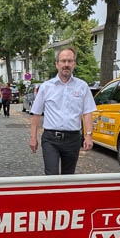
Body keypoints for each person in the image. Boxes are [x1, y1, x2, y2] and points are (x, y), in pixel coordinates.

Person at [28, 47, 96, 175]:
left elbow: (87, 112)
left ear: (74, 64)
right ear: (57, 64)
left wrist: (89, 135)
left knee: (68, 178)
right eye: (63, 61)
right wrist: (33, 138)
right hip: (51, 139)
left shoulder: (82, 86)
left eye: (70, 61)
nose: (66, 64)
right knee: (51, 176)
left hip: (73, 139)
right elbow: (36, 114)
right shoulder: (46, 87)